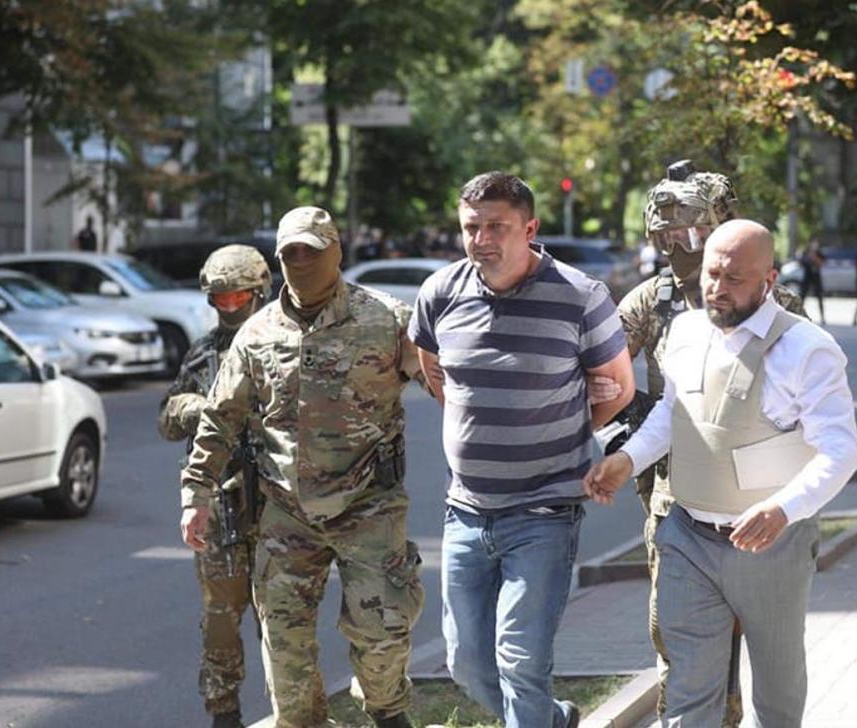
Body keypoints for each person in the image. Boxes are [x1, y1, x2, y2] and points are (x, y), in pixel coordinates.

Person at [584, 219, 857, 728]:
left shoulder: (807, 348)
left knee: (777, 694)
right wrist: (628, 460)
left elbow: (841, 450)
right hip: (687, 536)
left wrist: (783, 509)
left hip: (771, 545)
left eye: (734, 278)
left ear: (769, 281)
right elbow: (673, 413)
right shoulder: (685, 332)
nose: (717, 287)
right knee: (688, 691)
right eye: (712, 273)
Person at [180, 207, 426, 728]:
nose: (301, 262)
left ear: (336, 252)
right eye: (290, 253)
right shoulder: (257, 332)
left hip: (369, 507)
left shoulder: (387, 319)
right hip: (286, 514)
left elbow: (451, 386)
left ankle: (387, 714)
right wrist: (196, 495)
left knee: (381, 637)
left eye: (312, 251)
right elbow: (220, 418)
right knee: (285, 654)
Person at [408, 171, 635, 728]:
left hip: (543, 512)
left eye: (497, 227)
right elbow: (435, 374)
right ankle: (552, 720)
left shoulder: (581, 296)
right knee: (465, 662)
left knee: (521, 661)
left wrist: (561, 426)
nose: (481, 239)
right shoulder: (440, 293)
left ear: (530, 229)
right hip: (465, 512)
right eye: (471, 227)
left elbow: (620, 388)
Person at [607, 168, 806, 728]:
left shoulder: (776, 301)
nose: (675, 247)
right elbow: (604, 368)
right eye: (663, 236)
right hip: (676, 497)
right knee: (678, 635)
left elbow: (807, 406)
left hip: (755, 497)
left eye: (688, 234)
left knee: (764, 640)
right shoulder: (652, 300)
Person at [158, 245, 271, 728]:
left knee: (284, 624)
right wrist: (195, 409)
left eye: (238, 297)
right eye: (220, 299)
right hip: (220, 506)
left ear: (259, 292)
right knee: (221, 621)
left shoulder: (285, 342)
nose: (229, 306)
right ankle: (224, 714)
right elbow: (167, 417)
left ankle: (293, 712)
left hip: (277, 508)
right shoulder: (203, 352)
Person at [797, 241, 827, 324]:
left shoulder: (819, 253)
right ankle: (798, 315)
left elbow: (823, 262)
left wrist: (815, 258)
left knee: (820, 297)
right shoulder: (806, 253)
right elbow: (801, 263)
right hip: (807, 278)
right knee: (802, 297)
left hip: (816, 278)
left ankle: (822, 317)